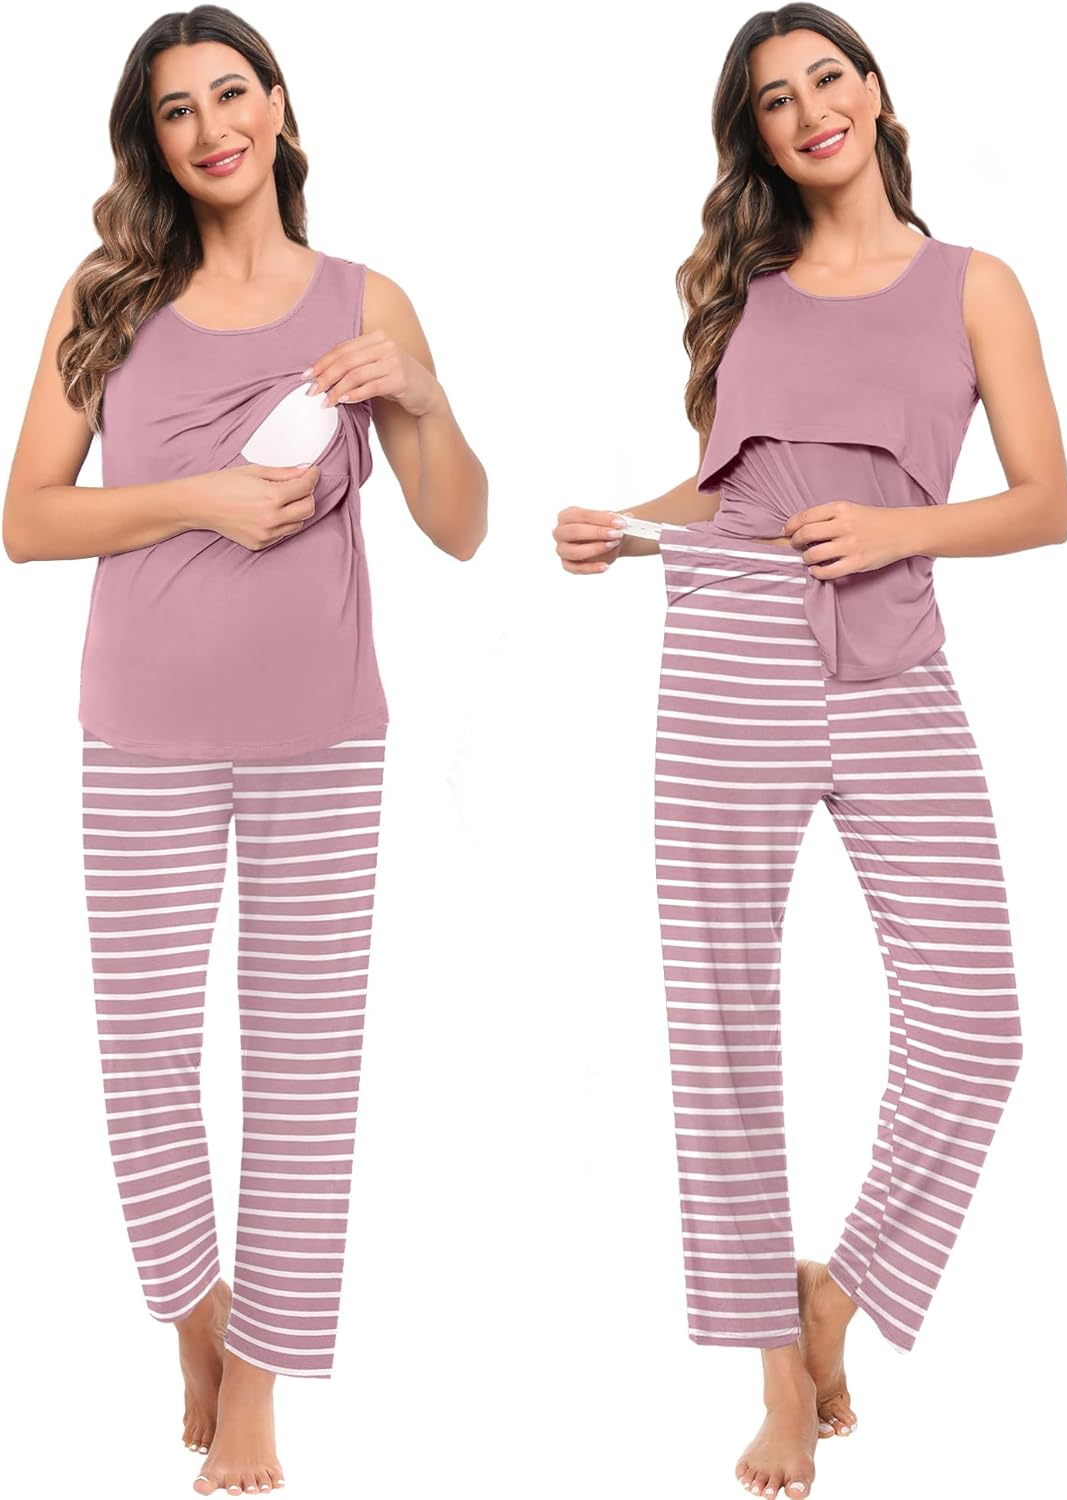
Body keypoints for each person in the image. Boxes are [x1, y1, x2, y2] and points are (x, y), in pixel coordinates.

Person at [553, 7, 1067, 1499]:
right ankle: (772, 1375)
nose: (807, 110)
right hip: (731, 649)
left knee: (978, 1026)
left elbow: (1046, 502)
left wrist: (901, 530)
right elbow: (731, 488)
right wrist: (623, 526)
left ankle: (833, 1295)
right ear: (761, 138)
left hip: (893, 658)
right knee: (722, 1016)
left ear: (875, 93)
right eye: (774, 99)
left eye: (825, 77)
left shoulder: (975, 284)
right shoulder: (752, 296)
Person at [2, 6, 486, 1496]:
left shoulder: (365, 303)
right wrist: (197, 497)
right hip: (142, 730)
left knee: (302, 1070)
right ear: (150, 142)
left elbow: (462, 527)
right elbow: (27, 519)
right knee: (144, 1057)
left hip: (321, 737)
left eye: (231, 94)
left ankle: (261, 1385)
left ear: (278, 108)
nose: (210, 128)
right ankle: (195, 1316)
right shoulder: (108, 294)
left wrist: (419, 395)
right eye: (175, 110)